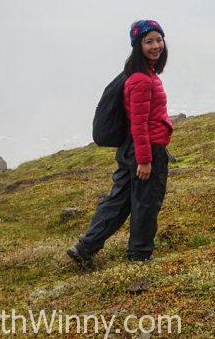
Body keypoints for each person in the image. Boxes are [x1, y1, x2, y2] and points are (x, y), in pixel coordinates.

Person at [67, 19, 173, 266]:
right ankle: (139, 257)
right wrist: (146, 160)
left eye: (159, 40)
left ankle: (85, 247)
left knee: (118, 201)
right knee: (146, 203)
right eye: (149, 41)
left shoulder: (140, 74)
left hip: (131, 149)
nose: (156, 45)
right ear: (137, 45)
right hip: (145, 150)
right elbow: (139, 123)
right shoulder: (142, 80)